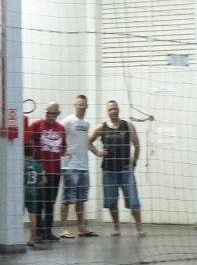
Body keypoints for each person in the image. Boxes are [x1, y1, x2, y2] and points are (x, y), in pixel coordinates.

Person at [89, 100, 145, 237]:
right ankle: (116, 227)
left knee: (133, 200)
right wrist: (97, 152)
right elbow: (88, 141)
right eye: (110, 109)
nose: (113, 111)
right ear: (107, 112)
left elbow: (137, 145)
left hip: (126, 169)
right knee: (111, 201)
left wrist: (134, 163)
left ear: (118, 109)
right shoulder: (101, 127)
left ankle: (139, 227)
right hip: (109, 170)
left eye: (114, 108)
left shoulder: (128, 126)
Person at [58, 95, 98, 238]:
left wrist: (97, 152)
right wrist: (63, 150)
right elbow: (58, 136)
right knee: (67, 198)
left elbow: (86, 142)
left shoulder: (86, 124)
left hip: (84, 166)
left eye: (84, 104)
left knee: (81, 198)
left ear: (87, 106)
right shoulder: (67, 121)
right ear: (74, 105)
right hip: (70, 165)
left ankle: (81, 226)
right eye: (79, 104)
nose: (82, 106)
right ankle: (63, 228)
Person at [27, 101, 66, 242]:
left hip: (55, 171)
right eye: (48, 112)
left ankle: (48, 231)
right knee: (38, 202)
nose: (50, 116)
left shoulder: (61, 128)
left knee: (50, 203)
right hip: (40, 171)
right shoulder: (36, 126)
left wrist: (61, 152)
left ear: (58, 114)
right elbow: (27, 144)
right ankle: (37, 232)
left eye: (53, 113)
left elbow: (63, 147)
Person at [24, 145, 46, 247]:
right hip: (33, 192)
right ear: (33, 153)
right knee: (33, 216)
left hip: (22, 192)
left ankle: (15, 239)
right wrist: (37, 185)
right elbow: (44, 180)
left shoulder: (21, 165)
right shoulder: (38, 166)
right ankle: (31, 239)